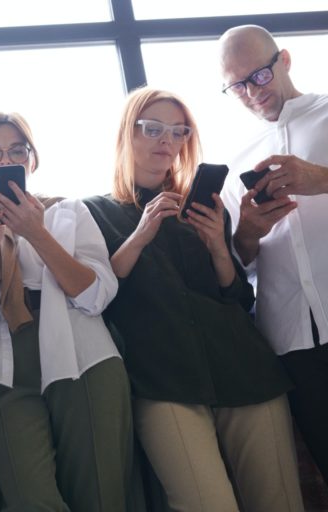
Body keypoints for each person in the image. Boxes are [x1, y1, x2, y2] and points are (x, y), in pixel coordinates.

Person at [84, 87, 303, 511]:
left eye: (178, 131)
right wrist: (142, 233)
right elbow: (97, 293)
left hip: (245, 368)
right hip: (161, 380)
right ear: (126, 134)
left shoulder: (203, 207)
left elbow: (235, 294)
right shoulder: (93, 212)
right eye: (153, 129)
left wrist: (220, 247)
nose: (167, 140)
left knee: (281, 503)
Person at [0, 112, 132, 511]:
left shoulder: (67, 211)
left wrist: (36, 233)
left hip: (84, 356)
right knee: (29, 498)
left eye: (17, 150)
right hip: (2, 365)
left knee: (100, 495)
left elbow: (97, 295)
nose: (5, 159)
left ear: (32, 160)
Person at [219, 24, 328, 479]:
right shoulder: (236, 162)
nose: (251, 93)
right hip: (293, 342)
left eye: (259, 76)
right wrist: (247, 232)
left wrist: (320, 179)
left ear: (283, 60)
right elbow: (239, 262)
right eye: (237, 85)